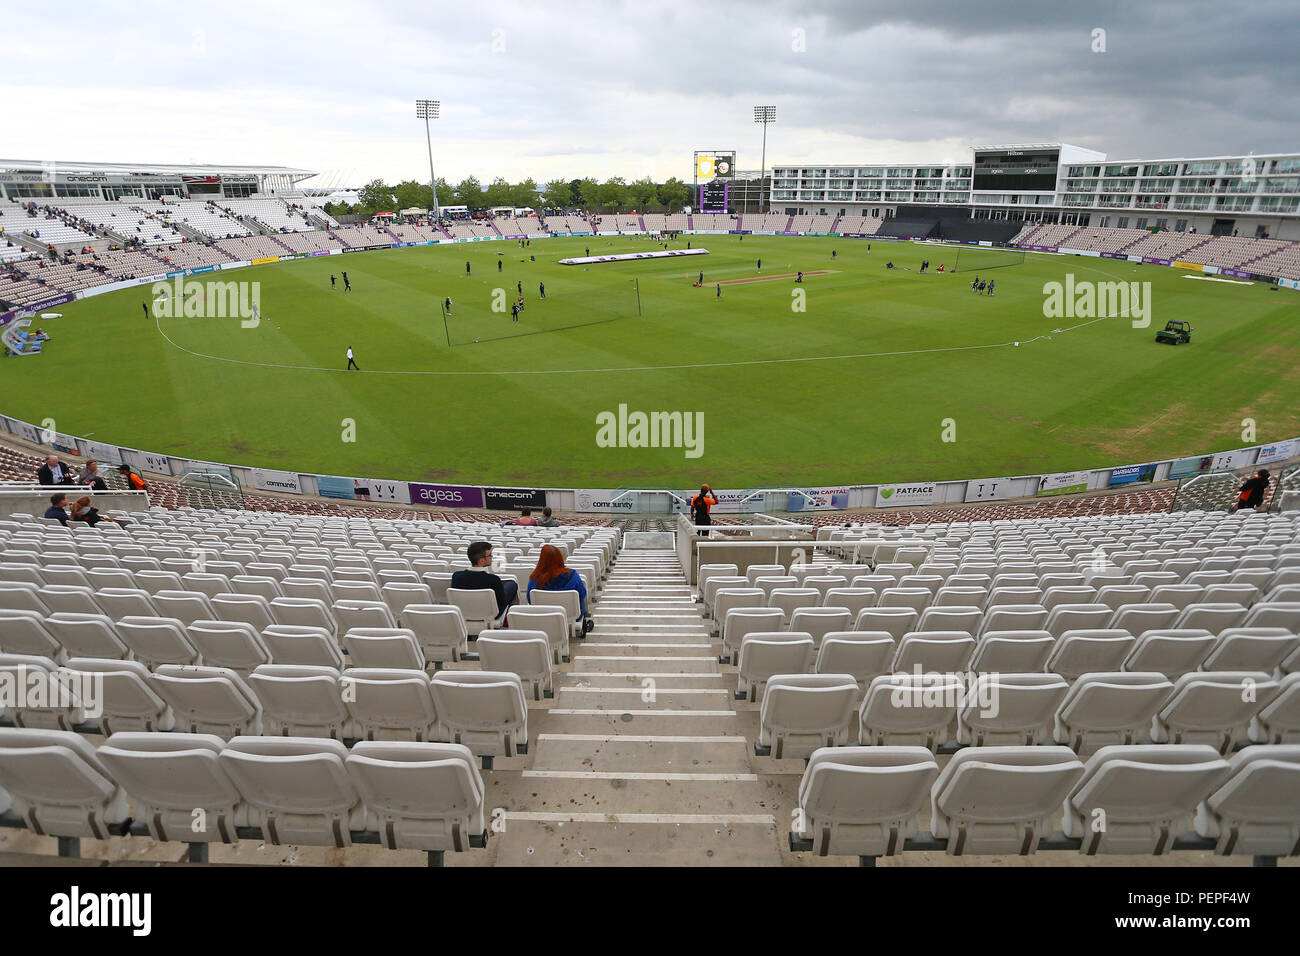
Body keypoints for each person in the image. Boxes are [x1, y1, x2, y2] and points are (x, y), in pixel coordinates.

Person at [451, 541, 518, 626]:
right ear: (482, 561)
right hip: (492, 615)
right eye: (490, 555)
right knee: (512, 584)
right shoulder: (493, 580)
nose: (492, 557)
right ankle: (511, 622)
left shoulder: (456, 577)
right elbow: (501, 603)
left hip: (464, 612)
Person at [527, 544, 588, 618]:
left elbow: (530, 600)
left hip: (543, 617)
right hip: (572, 617)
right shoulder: (573, 575)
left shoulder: (534, 579)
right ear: (560, 559)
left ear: (541, 560)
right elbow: (582, 594)